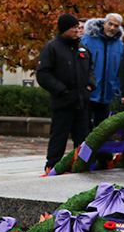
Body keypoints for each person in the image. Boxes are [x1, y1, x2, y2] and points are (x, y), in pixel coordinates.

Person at [36, 14, 96, 172]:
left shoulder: (82, 48)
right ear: (64, 29)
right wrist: (61, 89)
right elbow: (43, 74)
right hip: (62, 103)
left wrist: (90, 85)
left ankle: (83, 167)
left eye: (78, 27)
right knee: (58, 139)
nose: (77, 30)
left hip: (82, 103)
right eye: (74, 27)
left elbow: (90, 68)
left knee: (83, 140)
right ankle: (52, 168)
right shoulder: (51, 48)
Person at [81, 13, 124, 128]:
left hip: (107, 94)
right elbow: (80, 65)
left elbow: (120, 70)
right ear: (104, 23)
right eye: (110, 24)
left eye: (116, 26)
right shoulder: (87, 39)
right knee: (83, 127)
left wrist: (117, 88)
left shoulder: (120, 45)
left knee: (102, 130)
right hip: (89, 92)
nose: (112, 28)